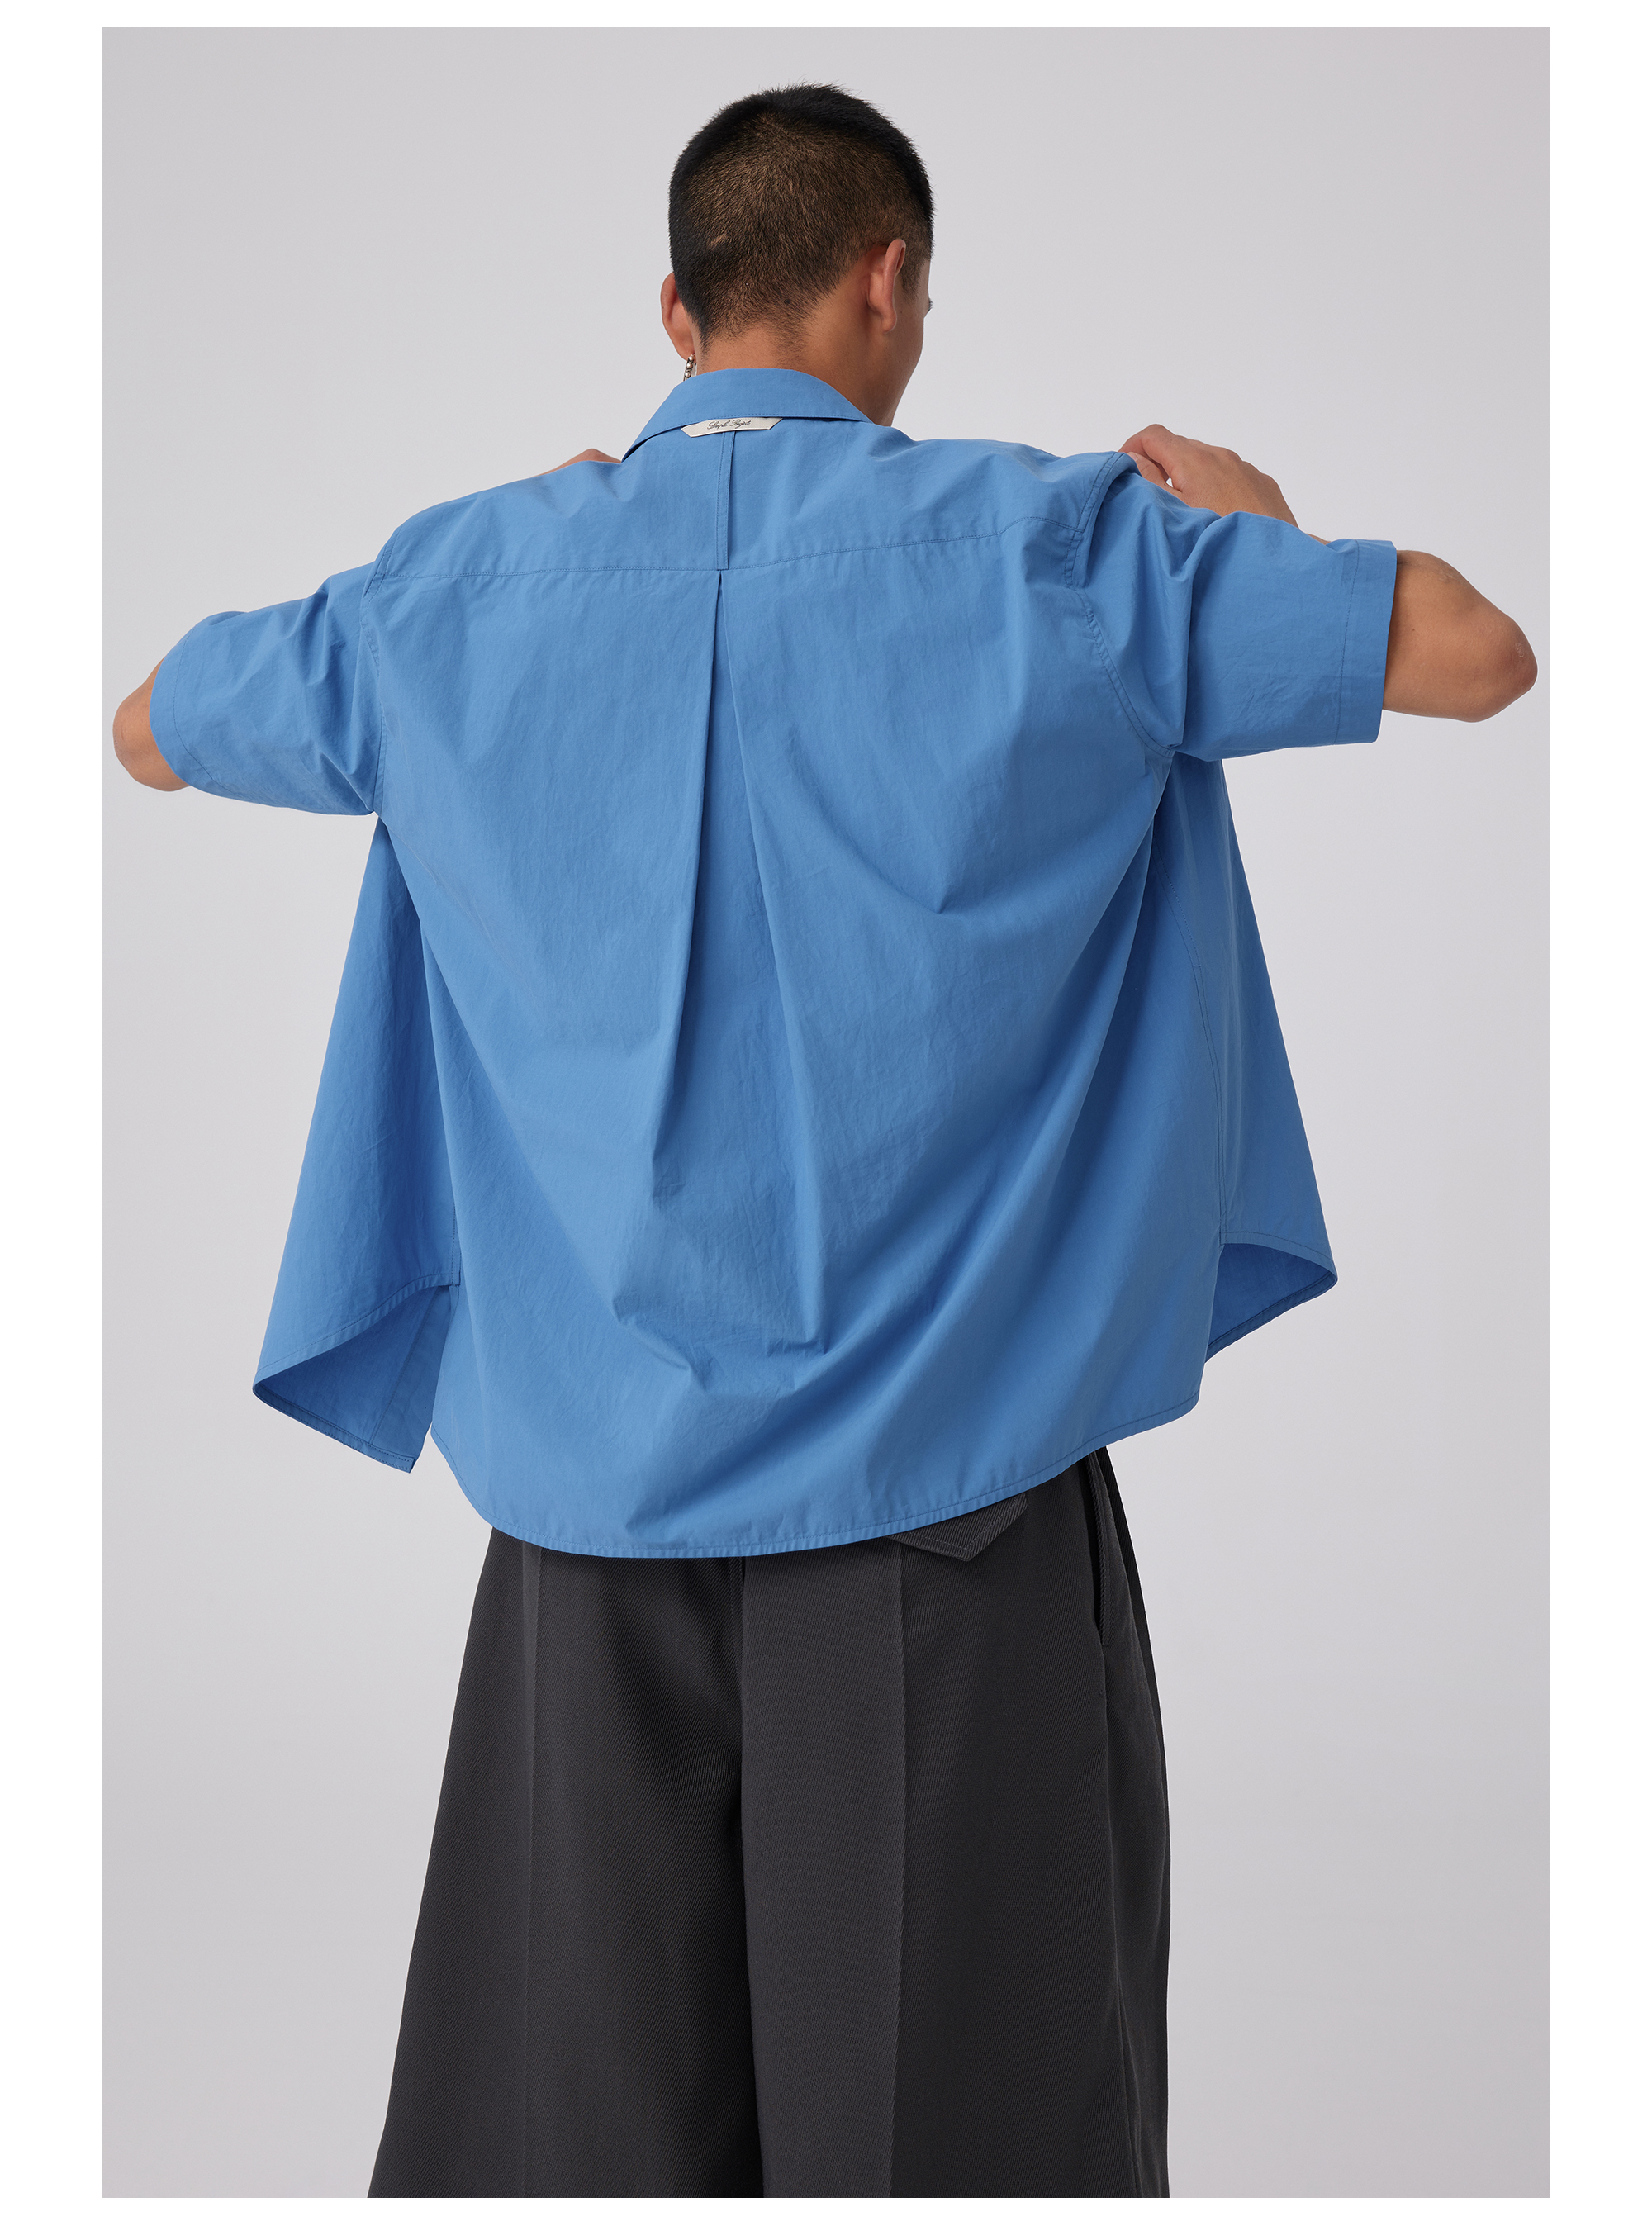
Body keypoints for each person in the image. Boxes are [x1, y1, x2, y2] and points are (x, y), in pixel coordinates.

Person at [112, 83, 1536, 2199]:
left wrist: (485, 574)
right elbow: (1478, 656)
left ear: (672, 313)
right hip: (953, 1513)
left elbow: (148, 723)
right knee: (954, 2144)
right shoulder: (1068, 550)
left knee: (581, 2154)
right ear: (889, 282)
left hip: (589, 1530)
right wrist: (1255, 529)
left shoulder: (459, 592)